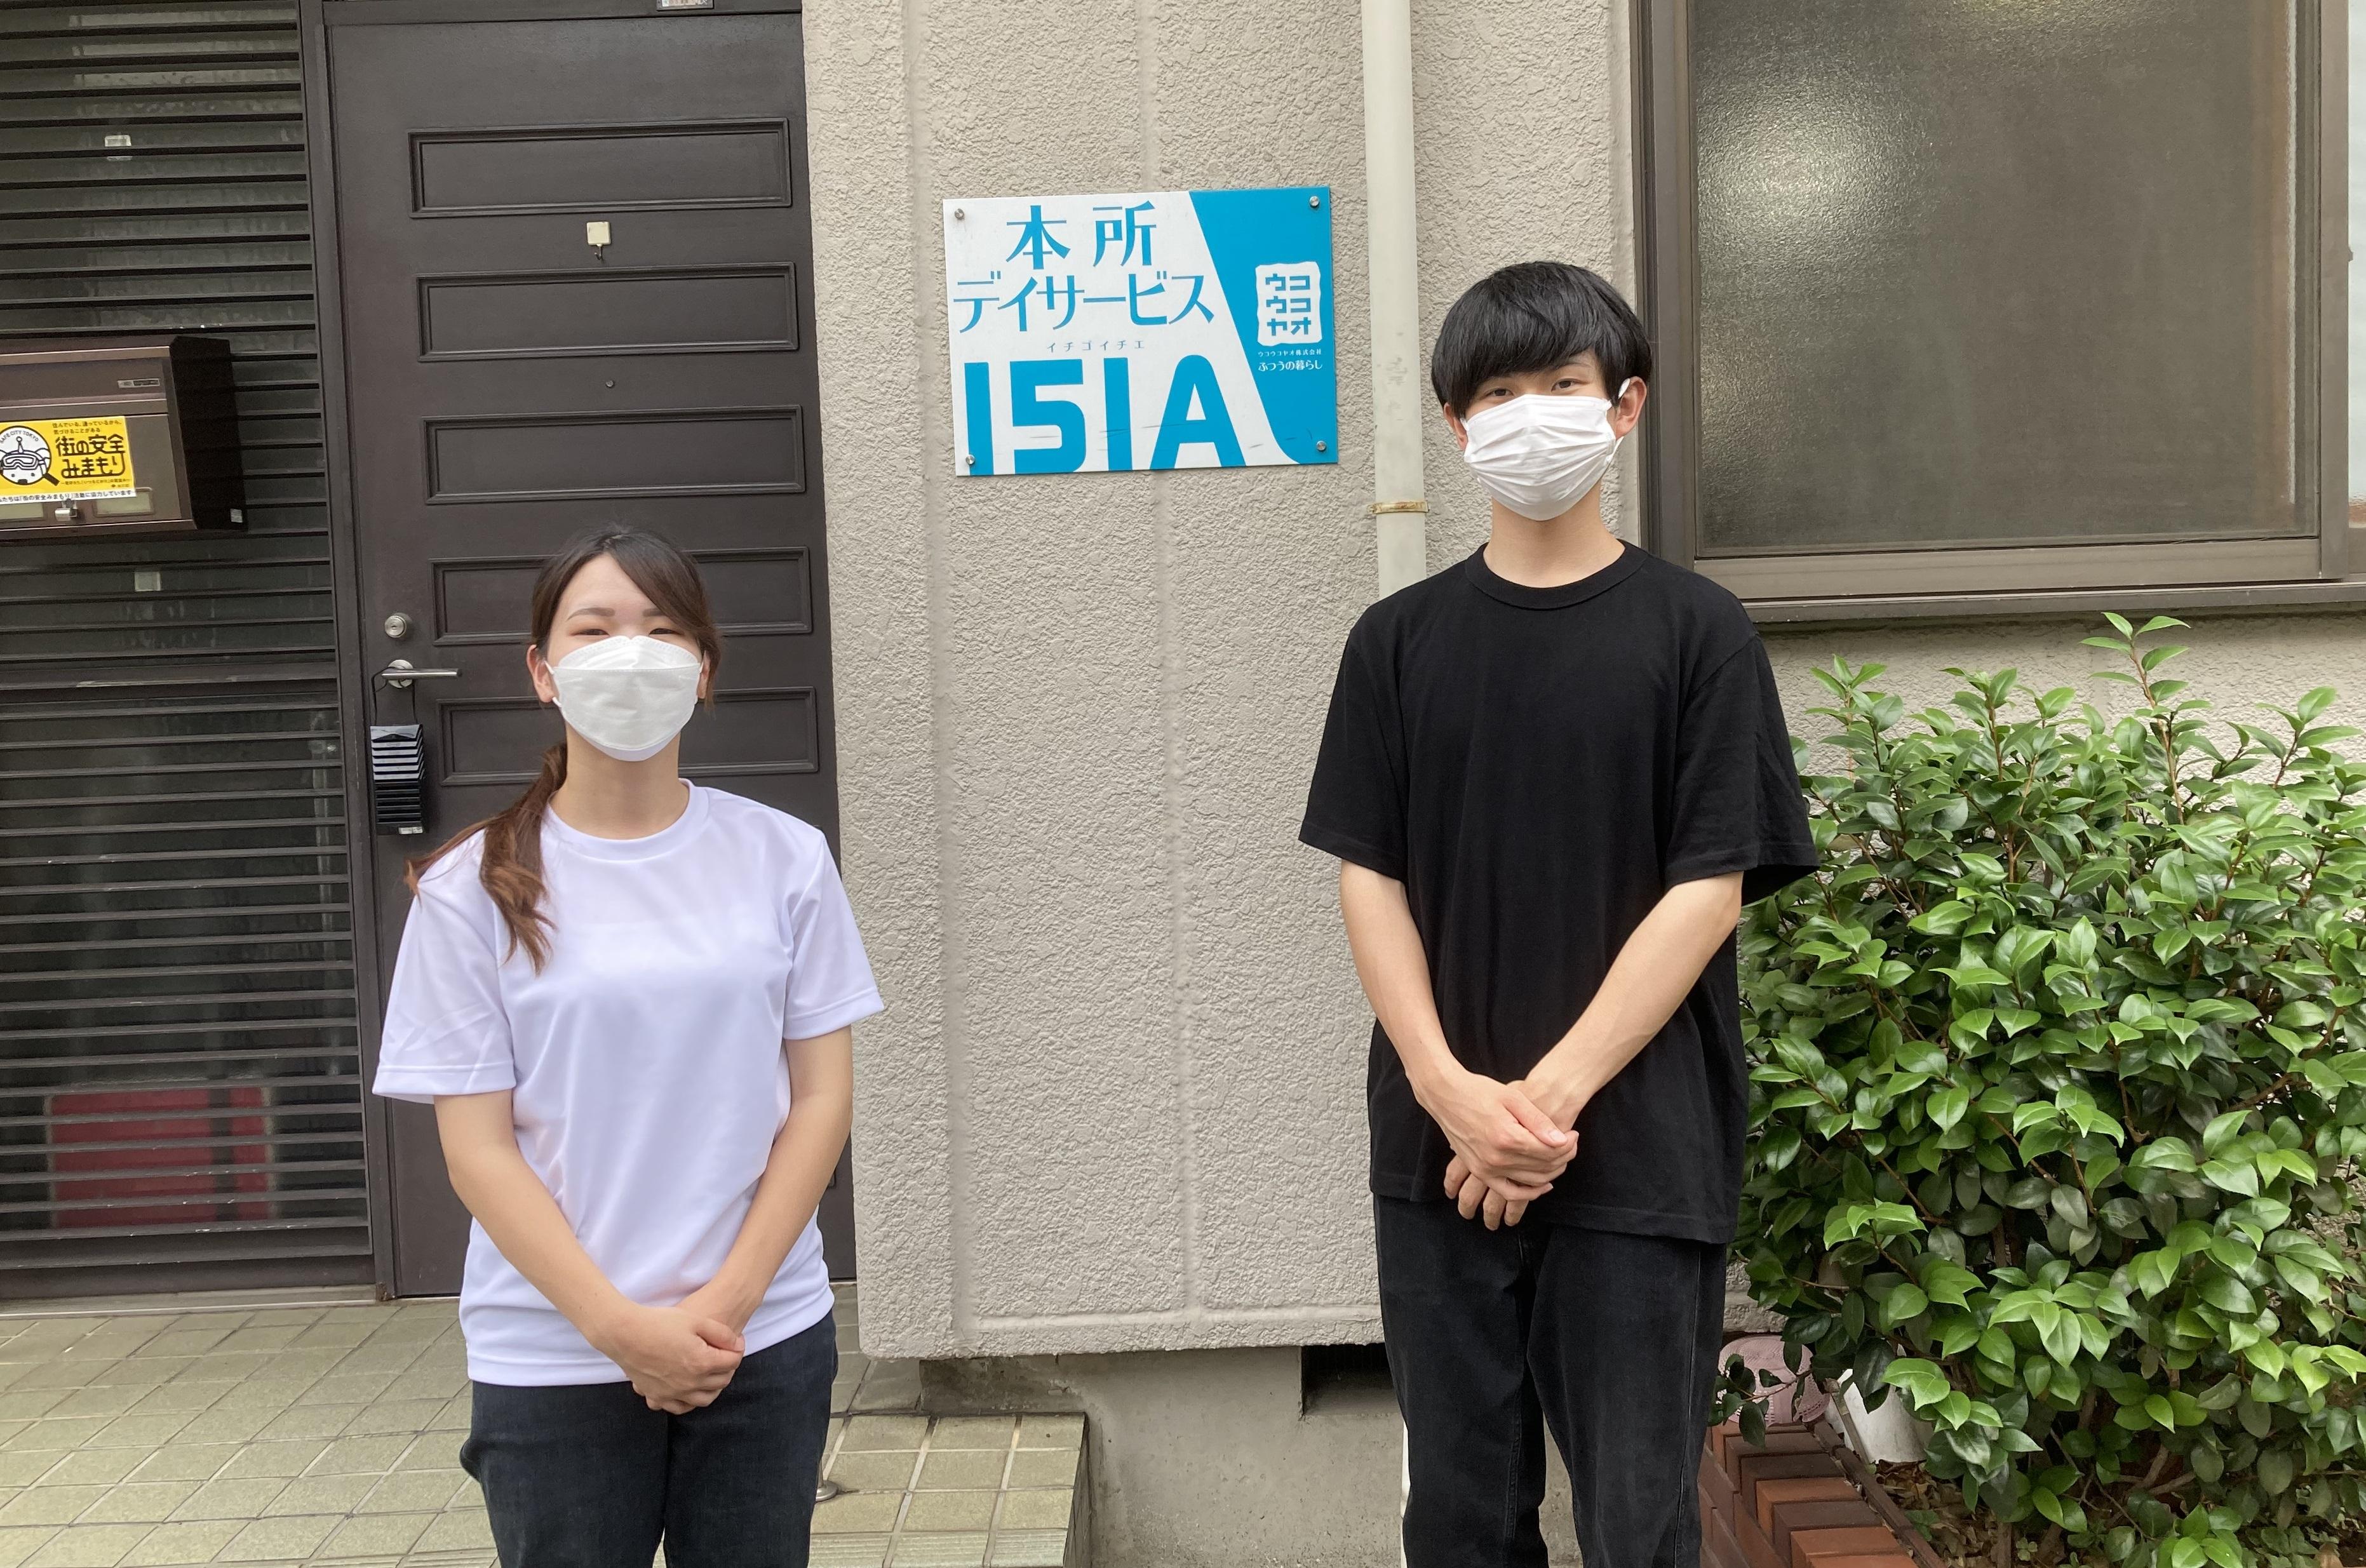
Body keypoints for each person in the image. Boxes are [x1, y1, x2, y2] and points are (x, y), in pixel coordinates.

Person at [1299, 261, 1817, 1568]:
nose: (1530, 412)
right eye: (1497, 392)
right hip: (1437, 1159)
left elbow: (1709, 887)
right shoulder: (1395, 643)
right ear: (1457, 422)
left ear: (1624, 405)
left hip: (1639, 1155)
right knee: (1459, 1519)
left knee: (1638, 1524)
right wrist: (1448, 1093)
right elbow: (1369, 875)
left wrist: (1535, 1109)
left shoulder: (1699, 633)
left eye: (1562, 384)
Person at [372, 528, 881, 1568]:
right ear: (542, 670)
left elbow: (821, 1100)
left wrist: (725, 1307)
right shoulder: (470, 888)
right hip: (554, 1347)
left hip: (760, 1336)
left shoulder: (784, 856)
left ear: (704, 668)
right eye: (594, 630)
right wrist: (619, 1328)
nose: (630, 653)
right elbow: (478, 1150)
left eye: (661, 629)